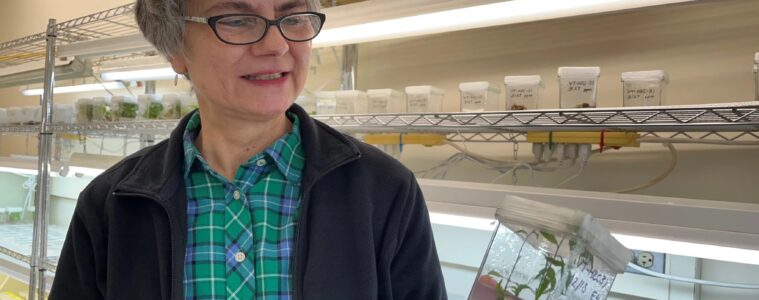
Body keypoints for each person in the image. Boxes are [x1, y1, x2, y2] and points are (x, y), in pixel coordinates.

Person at [49, 0, 447, 299]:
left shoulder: (384, 191)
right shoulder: (112, 205)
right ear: (175, 49)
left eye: (292, 17)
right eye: (237, 20)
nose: (276, 44)